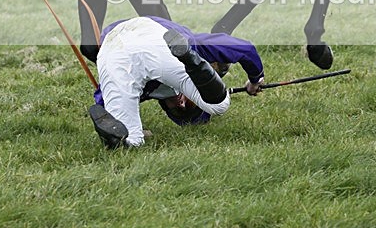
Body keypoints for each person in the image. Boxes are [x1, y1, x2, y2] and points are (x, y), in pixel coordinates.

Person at [88, 16, 265, 148]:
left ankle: (123, 140)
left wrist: (115, 116)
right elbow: (244, 48)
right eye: (188, 105)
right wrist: (256, 79)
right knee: (219, 106)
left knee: (132, 141)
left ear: (165, 107)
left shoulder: (143, 90)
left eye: (177, 111)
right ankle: (191, 61)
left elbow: (102, 98)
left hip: (112, 49)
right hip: (154, 35)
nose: (180, 104)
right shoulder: (190, 44)